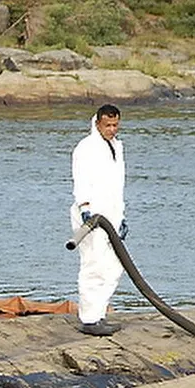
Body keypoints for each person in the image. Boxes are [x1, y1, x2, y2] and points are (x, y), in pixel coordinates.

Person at [70, 104, 129, 336]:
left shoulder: (116, 146)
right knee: (94, 265)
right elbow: (81, 180)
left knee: (115, 266)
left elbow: (117, 186)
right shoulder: (86, 148)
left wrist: (121, 216)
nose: (112, 129)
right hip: (92, 217)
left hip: (112, 215)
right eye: (108, 125)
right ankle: (89, 319)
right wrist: (85, 207)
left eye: (116, 125)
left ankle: (100, 312)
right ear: (97, 124)